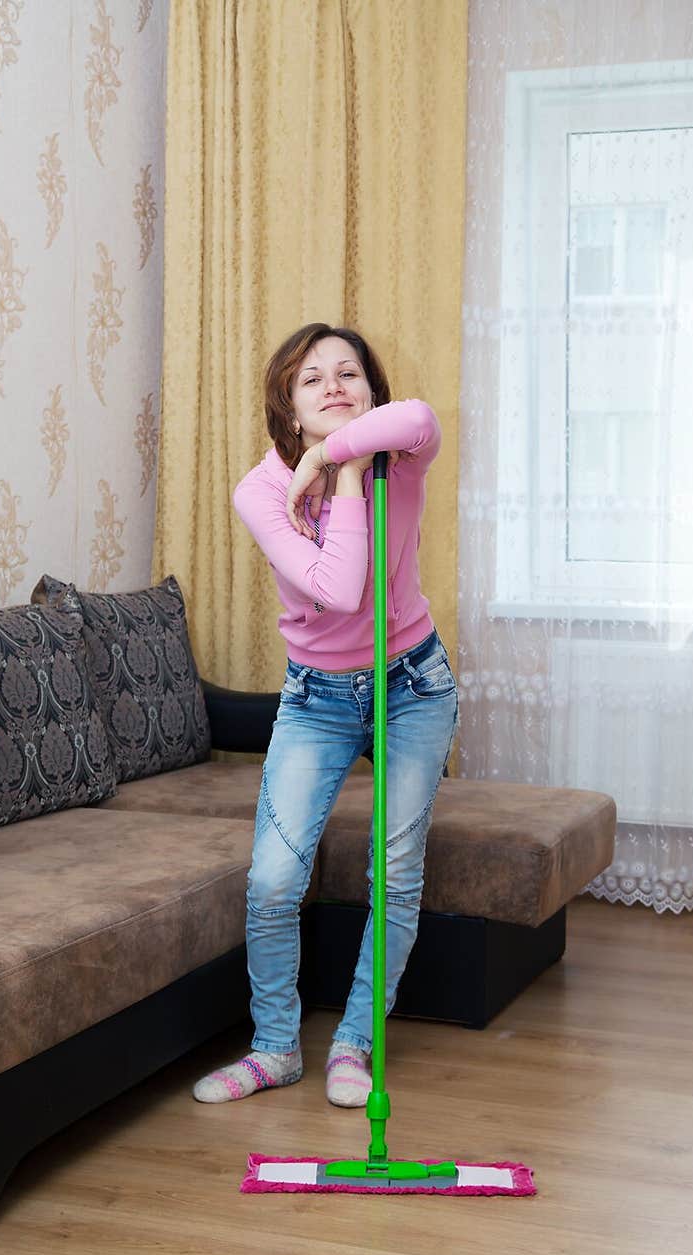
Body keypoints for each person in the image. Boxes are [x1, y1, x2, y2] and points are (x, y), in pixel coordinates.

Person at [193, 322, 459, 1108]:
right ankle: (275, 1048)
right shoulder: (259, 491)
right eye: (313, 379)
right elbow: (341, 589)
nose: (335, 385)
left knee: (396, 874)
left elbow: (420, 417)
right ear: (288, 404)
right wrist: (328, 469)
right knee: (274, 880)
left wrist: (329, 457)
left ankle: (355, 1042)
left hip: (414, 683)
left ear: (369, 393)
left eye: (350, 373)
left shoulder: (400, 453)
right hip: (318, 698)